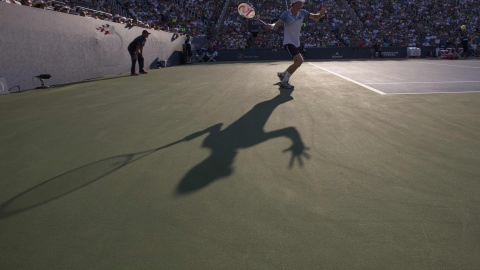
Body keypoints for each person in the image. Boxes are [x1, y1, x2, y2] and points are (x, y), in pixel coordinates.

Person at [264, 0, 327, 89]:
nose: (302, 4)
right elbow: (276, 26)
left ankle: (283, 74)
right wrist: (270, 26)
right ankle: (285, 81)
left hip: (296, 43)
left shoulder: (303, 13)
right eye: (300, 3)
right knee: (300, 61)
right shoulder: (285, 14)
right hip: (288, 42)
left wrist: (321, 14)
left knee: (297, 62)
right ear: (295, 3)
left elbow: (315, 17)